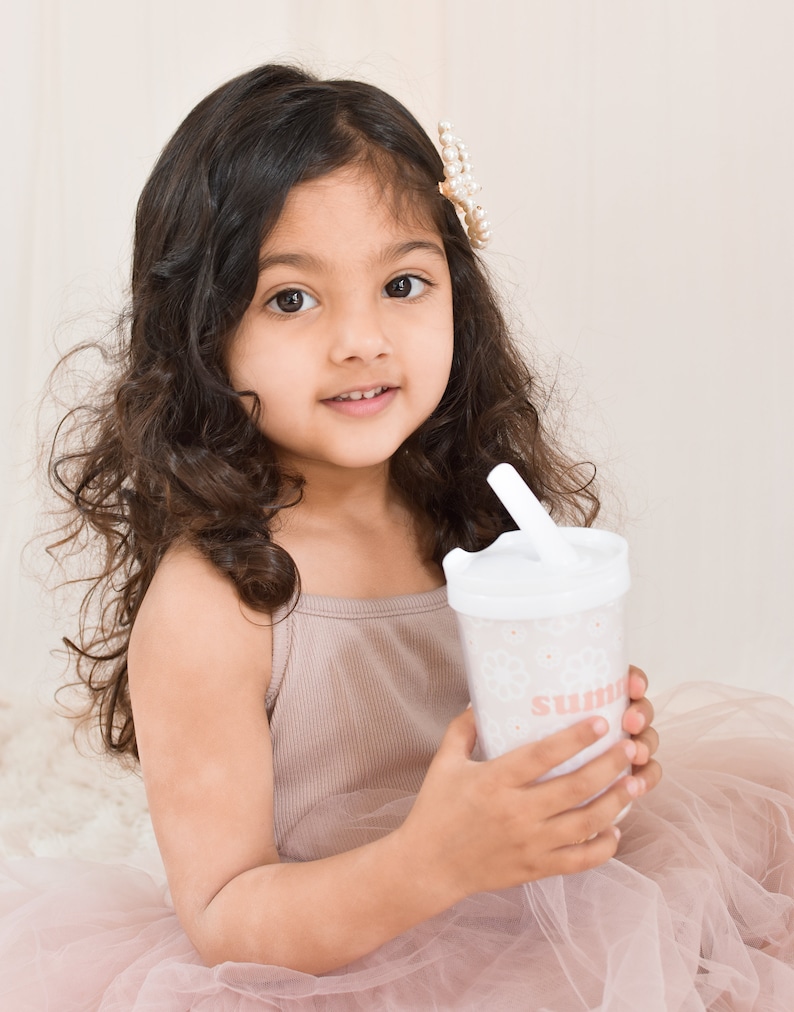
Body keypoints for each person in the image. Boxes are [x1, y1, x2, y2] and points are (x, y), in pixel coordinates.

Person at [1, 63, 792, 1010]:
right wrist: (431, 863)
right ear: (201, 336)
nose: (362, 339)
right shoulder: (218, 600)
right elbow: (222, 913)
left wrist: (580, 771)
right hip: (350, 955)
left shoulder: (472, 519)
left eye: (404, 283)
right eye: (292, 299)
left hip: (538, 916)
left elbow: (504, 759)